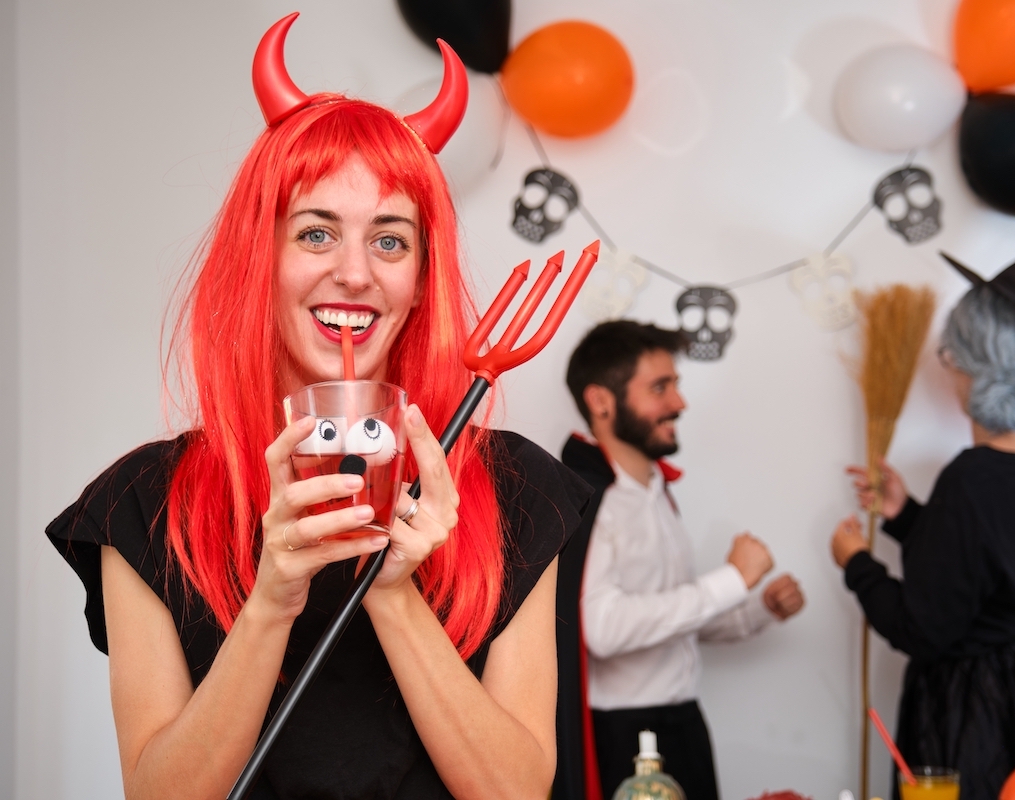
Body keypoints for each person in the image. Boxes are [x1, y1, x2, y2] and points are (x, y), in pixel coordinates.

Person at [44, 15, 590, 800]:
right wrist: (270, 602)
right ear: (257, 258)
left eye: (391, 241)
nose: (357, 274)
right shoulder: (142, 506)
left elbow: (514, 793)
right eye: (315, 233)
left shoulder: (517, 491)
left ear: (421, 280)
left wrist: (394, 589)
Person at [830, 285, 1015, 800]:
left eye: (953, 357)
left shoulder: (970, 478)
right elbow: (992, 568)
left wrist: (857, 565)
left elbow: (922, 628)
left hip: (984, 714)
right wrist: (906, 514)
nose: (948, 370)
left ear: (981, 373)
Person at [560, 320, 805, 800]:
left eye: (675, 385)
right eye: (660, 387)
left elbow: (674, 620)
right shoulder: (589, 498)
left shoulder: (658, 494)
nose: (679, 402)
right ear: (601, 401)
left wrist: (758, 610)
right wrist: (732, 579)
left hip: (683, 724)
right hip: (624, 736)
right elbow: (603, 629)